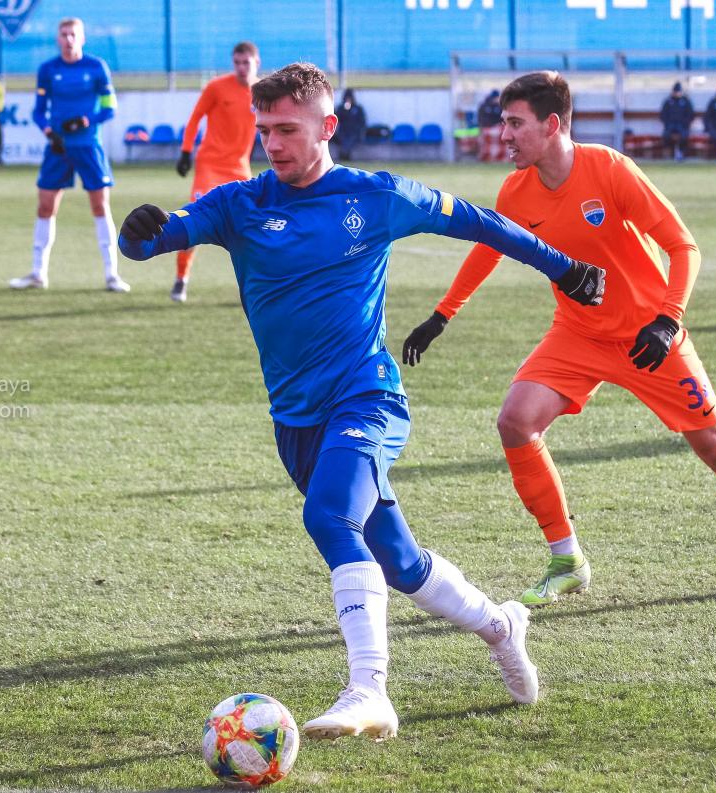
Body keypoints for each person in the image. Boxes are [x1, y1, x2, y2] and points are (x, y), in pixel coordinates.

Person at [118, 63, 606, 741]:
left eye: (288, 130)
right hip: (296, 420)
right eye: (266, 130)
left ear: (327, 126)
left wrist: (565, 267)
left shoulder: (376, 196)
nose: (273, 144)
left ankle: (369, 689)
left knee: (327, 517)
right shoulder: (239, 205)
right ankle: (501, 625)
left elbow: (479, 222)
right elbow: (153, 239)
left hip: (367, 397)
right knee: (399, 562)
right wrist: (137, 231)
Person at [402, 71, 716, 607]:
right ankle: (567, 560)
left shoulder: (609, 169)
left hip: (651, 337)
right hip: (578, 334)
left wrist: (668, 320)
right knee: (515, 421)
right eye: (503, 122)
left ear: (551, 124)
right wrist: (442, 316)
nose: (503, 134)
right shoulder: (516, 189)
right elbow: (490, 247)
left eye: (514, 123)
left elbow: (683, 246)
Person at [9, 17, 128, 292]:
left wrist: (88, 120)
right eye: (64, 34)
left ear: (82, 38)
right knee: (45, 206)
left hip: (88, 146)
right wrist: (49, 132)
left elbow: (110, 108)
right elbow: (38, 111)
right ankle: (38, 273)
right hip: (58, 148)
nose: (69, 39)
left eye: (73, 34)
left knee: (100, 206)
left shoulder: (96, 67)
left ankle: (112, 274)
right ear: (58, 39)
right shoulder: (48, 70)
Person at [171, 41, 261, 303]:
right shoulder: (217, 87)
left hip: (239, 167)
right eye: (237, 62)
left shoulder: (263, 92)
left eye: (246, 62)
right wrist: (186, 151)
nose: (241, 67)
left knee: (251, 226)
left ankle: (254, 286)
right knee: (195, 220)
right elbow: (195, 117)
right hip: (210, 165)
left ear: (257, 63)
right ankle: (181, 278)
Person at [659, 81, 694, 161]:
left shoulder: (686, 101)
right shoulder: (668, 101)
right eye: (675, 92)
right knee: (666, 135)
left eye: (678, 91)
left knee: (684, 136)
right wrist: (667, 124)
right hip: (670, 125)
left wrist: (686, 124)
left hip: (682, 125)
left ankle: (680, 153)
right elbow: (663, 114)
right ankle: (670, 153)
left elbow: (690, 114)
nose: (677, 93)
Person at [332, 88, 367, 161]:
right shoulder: (341, 108)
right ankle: (344, 153)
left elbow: (362, 122)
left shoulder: (358, 108)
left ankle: (345, 153)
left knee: (350, 139)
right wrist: (344, 110)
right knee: (342, 138)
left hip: (354, 132)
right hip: (343, 131)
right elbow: (337, 119)